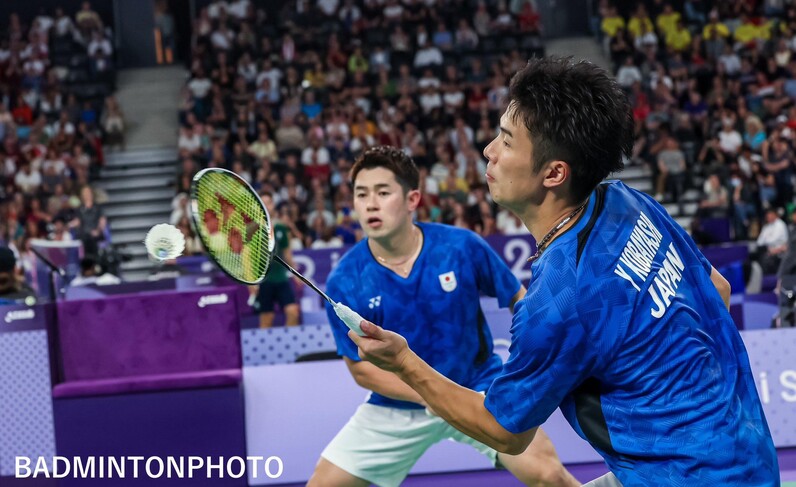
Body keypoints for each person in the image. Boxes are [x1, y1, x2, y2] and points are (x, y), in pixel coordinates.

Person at [348, 58, 779, 486]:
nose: (489, 151)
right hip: (747, 451)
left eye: (506, 140)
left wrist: (403, 362)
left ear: (554, 173)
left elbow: (504, 431)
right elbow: (715, 290)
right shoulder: (629, 202)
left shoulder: (560, 300)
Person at [308, 146, 578, 487]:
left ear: (412, 199)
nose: (371, 203)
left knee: (549, 476)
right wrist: (429, 394)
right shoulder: (345, 279)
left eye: (383, 192)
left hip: (478, 389)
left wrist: (534, 361)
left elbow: (519, 300)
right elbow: (361, 370)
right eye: (361, 194)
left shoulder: (461, 246)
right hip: (399, 404)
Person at [252, 192, 301, 328]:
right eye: (263, 203)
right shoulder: (252, 229)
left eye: (268, 202)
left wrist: (296, 275)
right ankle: (265, 348)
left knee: (293, 312)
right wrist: (250, 283)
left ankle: (289, 344)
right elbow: (248, 257)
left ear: (273, 205)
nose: (266, 206)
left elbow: (287, 254)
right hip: (264, 280)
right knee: (266, 318)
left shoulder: (280, 227)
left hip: (281, 278)